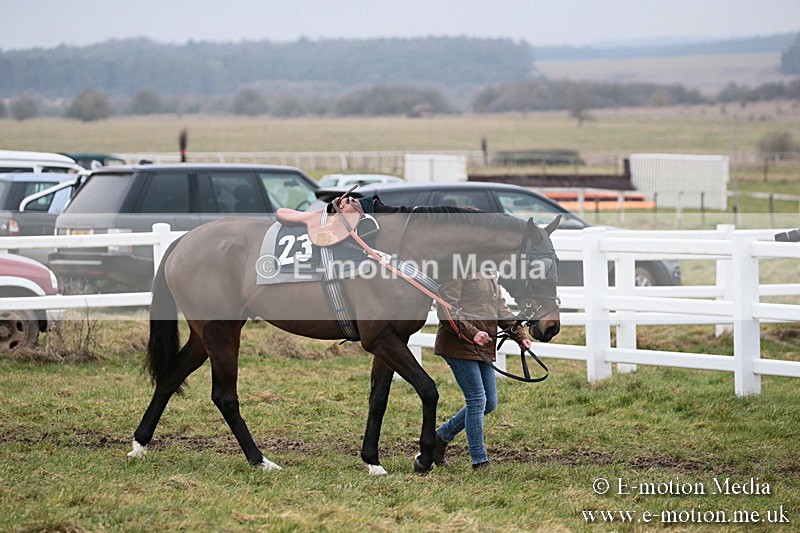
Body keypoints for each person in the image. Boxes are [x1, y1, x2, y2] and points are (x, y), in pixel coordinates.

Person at [433, 269, 531, 470]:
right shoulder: (458, 268)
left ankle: (440, 438)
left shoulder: (489, 270)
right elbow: (446, 309)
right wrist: (473, 333)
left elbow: (500, 309)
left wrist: (519, 336)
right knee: (477, 399)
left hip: (482, 346)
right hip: (459, 344)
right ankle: (479, 461)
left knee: (489, 403)